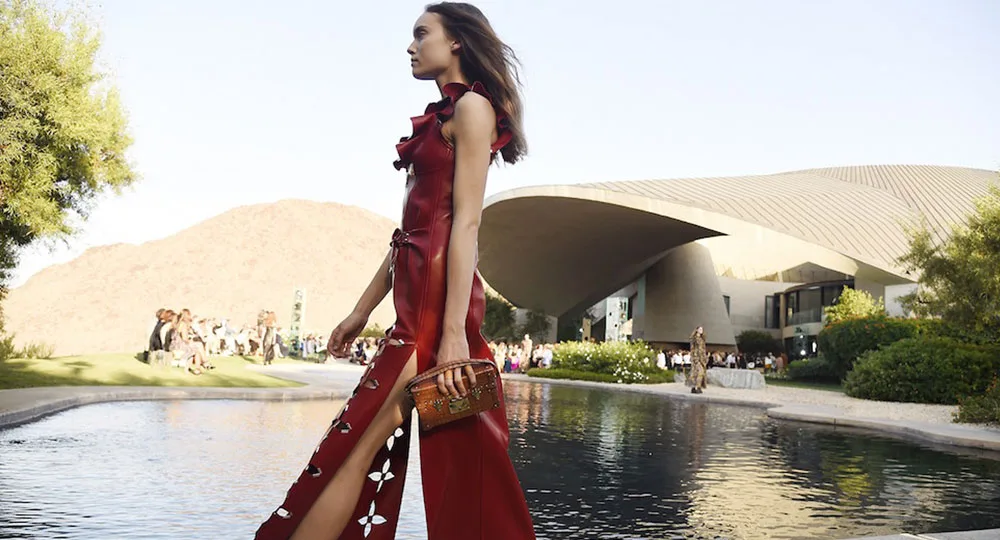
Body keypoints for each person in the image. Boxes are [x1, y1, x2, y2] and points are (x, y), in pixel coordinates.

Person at [256, 4, 535, 539]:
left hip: (433, 315)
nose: (410, 46)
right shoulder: (443, 115)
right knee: (356, 447)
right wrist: (361, 310)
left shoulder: (473, 107)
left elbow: (467, 225)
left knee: (354, 449)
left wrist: (452, 335)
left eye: (421, 34)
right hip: (416, 307)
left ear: (456, 42)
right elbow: (409, 235)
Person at [688, 326, 708, 394]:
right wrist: (694, 357)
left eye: (702, 329)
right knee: (699, 372)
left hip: (702, 358)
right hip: (696, 358)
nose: (701, 330)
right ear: (696, 330)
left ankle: (696, 387)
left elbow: (703, 349)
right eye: (700, 329)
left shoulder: (702, 339)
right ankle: (696, 387)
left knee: (699, 373)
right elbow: (692, 349)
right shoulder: (694, 339)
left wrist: (705, 357)